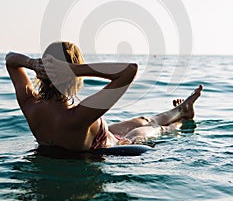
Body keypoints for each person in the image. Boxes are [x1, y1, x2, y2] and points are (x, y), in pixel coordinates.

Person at [5, 41, 203, 152]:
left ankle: (180, 109)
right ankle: (180, 121)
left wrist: (33, 63)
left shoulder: (30, 104)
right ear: (73, 75)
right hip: (115, 144)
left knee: (141, 120)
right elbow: (129, 71)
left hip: (95, 137)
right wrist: (74, 69)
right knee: (153, 127)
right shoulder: (77, 116)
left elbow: (10, 59)